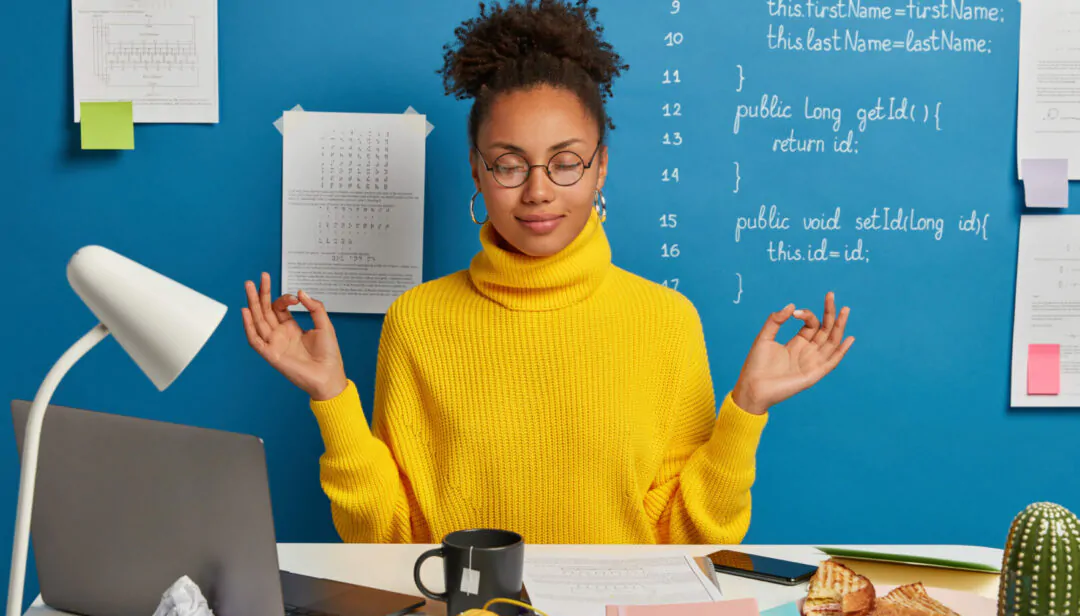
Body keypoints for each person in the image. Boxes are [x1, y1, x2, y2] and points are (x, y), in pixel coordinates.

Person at [241, 0, 854, 545]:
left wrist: (745, 409)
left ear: (600, 168)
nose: (538, 191)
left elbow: (686, 537)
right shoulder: (418, 321)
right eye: (510, 164)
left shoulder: (666, 322)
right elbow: (390, 538)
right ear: (478, 173)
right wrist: (331, 398)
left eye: (565, 163)